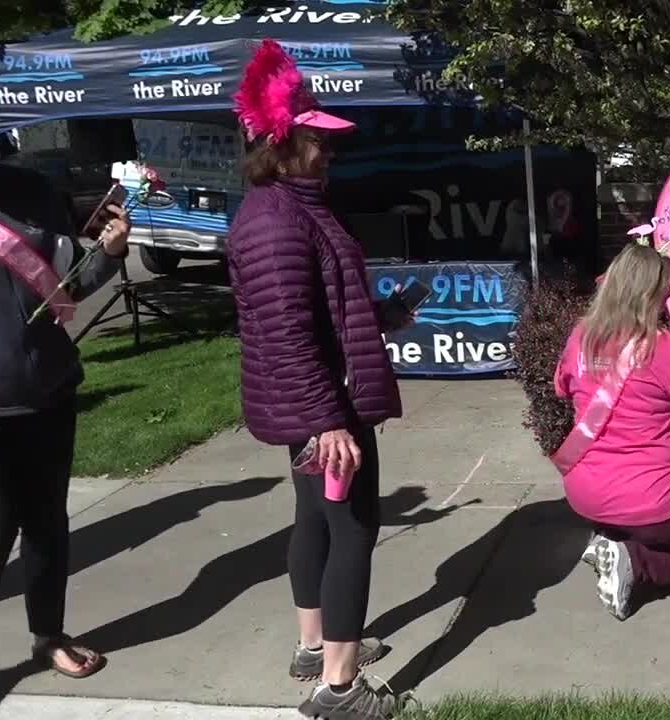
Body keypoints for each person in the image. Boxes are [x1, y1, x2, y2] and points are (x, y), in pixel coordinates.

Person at [227, 40, 415, 719]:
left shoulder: (297, 208)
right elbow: (287, 333)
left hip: (313, 401)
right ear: (281, 144)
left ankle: (314, 646)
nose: (328, 153)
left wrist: (383, 314)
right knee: (354, 529)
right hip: (321, 406)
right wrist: (327, 420)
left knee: (315, 519)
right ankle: (339, 688)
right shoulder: (276, 222)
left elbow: (320, 309)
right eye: (317, 142)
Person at [552, 240, 670, 620]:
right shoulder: (667, 349)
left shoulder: (580, 337)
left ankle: (614, 542)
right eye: (667, 291)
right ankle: (638, 564)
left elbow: (562, 387)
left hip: (585, 496)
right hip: (654, 504)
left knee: (635, 524)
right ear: (654, 294)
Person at [0, 160, 131, 678]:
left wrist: (112, 253)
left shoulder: (31, 189)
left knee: (47, 525)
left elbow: (67, 284)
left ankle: (48, 635)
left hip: (47, 391)